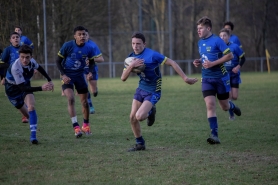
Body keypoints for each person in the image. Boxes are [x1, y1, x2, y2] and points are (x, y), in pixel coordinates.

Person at [121, 32, 198, 152]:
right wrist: (132, 66)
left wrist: (185, 78)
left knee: (140, 116)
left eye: (138, 44)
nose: (135, 46)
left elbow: (172, 62)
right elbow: (123, 78)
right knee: (132, 117)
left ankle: (151, 110)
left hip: (153, 91)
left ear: (144, 44)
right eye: (133, 43)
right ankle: (140, 144)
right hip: (141, 88)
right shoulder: (131, 58)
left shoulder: (152, 55)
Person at [193, 16, 242, 144]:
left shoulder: (217, 40)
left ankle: (232, 106)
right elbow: (205, 57)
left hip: (221, 78)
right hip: (207, 79)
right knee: (210, 105)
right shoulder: (200, 42)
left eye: (201, 28)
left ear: (208, 28)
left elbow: (229, 55)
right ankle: (214, 135)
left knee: (224, 107)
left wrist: (213, 63)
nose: (198, 31)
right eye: (197, 28)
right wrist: (199, 61)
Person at [0, 45, 54, 144]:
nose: (24, 60)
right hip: (12, 90)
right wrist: (41, 88)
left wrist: (49, 79)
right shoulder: (15, 67)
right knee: (27, 115)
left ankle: (33, 137)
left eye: (27, 57)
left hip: (24, 85)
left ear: (31, 57)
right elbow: (22, 88)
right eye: (22, 57)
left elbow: (40, 68)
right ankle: (32, 124)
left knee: (31, 107)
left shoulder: (32, 62)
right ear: (19, 56)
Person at [56, 26, 103, 138]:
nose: (82, 36)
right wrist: (63, 75)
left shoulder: (89, 48)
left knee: (85, 102)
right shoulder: (67, 46)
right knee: (71, 98)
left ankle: (86, 126)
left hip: (80, 76)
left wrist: (90, 72)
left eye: (84, 34)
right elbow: (58, 61)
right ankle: (76, 127)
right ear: (75, 36)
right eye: (79, 34)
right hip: (67, 76)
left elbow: (91, 62)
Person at [1, 32, 29, 123]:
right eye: (13, 37)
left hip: (23, 76)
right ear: (10, 40)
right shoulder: (8, 50)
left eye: (17, 37)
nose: (16, 38)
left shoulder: (23, 49)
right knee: (17, 98)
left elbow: (30, 59)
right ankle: (25, 114)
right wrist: (4, 76)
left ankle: (26, 115)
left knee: (25, 94)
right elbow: (1, 63)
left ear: (20, 39)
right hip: (11, 78)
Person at [219, 28, 245, 120]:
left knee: (235, 96)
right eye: (221, 36)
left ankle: (231, 106)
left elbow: (243, 58)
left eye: (224, 35)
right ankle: (231, 115)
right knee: (229, 95)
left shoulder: (234, 47)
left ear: (229, 37)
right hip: (224, 75)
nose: (222, 37)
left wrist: (237, 67)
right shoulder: (218, 48)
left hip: (234, 74)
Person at [84, 29, 104, 114]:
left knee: (93, 91)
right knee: (84, 88)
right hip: (82, 70)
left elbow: (101, 59)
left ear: (88, 36)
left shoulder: (93, 45)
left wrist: (91, 59)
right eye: (81, 34)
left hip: (92, 69)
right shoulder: (75, 46)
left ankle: (95, 91)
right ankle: (91, 106)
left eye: (85, 35)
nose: (83, 36)